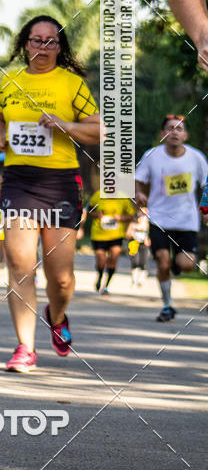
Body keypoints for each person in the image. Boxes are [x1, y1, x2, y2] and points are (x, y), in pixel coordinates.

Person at [0, 15, 101, 372]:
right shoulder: (8, 82)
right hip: (20, 180)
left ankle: (58, 314)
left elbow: (98, 130)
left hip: (60, 183)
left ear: (60, 47)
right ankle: (25, 347)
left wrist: (64, 124)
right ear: (25, 44)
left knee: (62, 276)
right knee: (21, 264)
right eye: (36, 40)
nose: (43, 47)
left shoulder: (71, 84)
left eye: (51, 41)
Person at [135, 114, 208, 321]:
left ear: (186, 135)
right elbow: (137, 180)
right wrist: (139, 193)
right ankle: (167, 305)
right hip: (159, 219)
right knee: (162, 261)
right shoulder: (152, 156)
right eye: (169, 128)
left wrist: (205, 208)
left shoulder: (197, 158)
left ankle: (177, 264)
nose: (174, 132)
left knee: (185, 265)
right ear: (162, 134)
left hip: (187, 221)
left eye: (178, 129)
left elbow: (206, 184)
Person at [83, 190, 136, 294]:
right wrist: (96, 214)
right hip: (99, 235)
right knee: (101, 261)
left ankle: (106, 285)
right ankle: (100, 275)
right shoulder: (98, 195)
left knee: (113, 259)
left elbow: (131, 215)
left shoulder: (123, 197)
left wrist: (121, 218)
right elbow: (87, 211)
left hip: (116, 235)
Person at [126, 207, 150, 287]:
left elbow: (151, 236)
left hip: (143, 245)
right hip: (134, 243)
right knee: (135, 262)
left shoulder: (148, 224)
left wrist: (148, 239)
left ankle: (140, 279)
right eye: (140, 216)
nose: (141, 218)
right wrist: (132, 232)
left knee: (143, 263)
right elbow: (127, 235)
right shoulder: (132, 224)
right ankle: (134, 279)